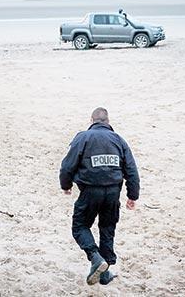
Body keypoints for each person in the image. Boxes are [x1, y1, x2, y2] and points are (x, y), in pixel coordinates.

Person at [60, 107, 140, 286]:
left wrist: (66, 186)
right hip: (113, 193)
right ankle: (104, 273)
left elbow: (67, 166)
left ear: (92, 120)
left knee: (80, 226)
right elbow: (132, 170)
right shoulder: (119, 140)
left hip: (90, 191)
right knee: (107, 228)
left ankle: (95, 258)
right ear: (108, 121)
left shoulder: (83, 137)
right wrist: (132, 195)